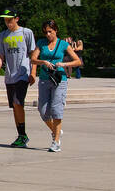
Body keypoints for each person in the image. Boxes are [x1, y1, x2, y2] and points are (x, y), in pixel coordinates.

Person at [0, 8, 38, 149]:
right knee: (14, 106)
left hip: (22, 74)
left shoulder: (26, 32)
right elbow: (1, 55)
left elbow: (33, 54)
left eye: (10, 20)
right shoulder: (3, 35)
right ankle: (21, 135)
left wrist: (33, 72)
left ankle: (22, 135)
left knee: (18, 102)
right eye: (5, 20)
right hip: (9, 76)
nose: (8, 23)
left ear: (16, 19)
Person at [34, 19, 81, 152]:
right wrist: (43, 62)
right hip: (44, 79)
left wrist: (64, 64)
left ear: (56, 30)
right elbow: (33, 59)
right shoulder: (41, 43)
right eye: (46, 32)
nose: (48, 34)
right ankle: (56, 131)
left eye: (50, 31)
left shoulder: (63, 44)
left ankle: (56, 141)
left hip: (59, 79)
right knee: (43, 111)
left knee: (56, 110)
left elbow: (77, 61)